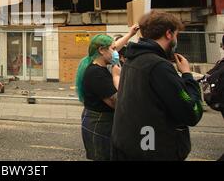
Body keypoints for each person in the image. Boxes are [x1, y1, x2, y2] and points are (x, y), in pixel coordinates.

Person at [111, 11, 203, 161]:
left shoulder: (131, 59)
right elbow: (191, 112)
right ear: (168, 34)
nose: (176, 39)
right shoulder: (159, 66)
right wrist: (187, 75)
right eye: (176, 34)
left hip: (130, 146)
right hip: (154, 151)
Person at [75, 34, 121, 161]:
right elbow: (117, 102)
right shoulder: (96, 73)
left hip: (102, 122)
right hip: (100, 124)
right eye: (113, 49)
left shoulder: (100, 68)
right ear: (101, 50)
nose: (116, 53)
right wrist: (117, 77)